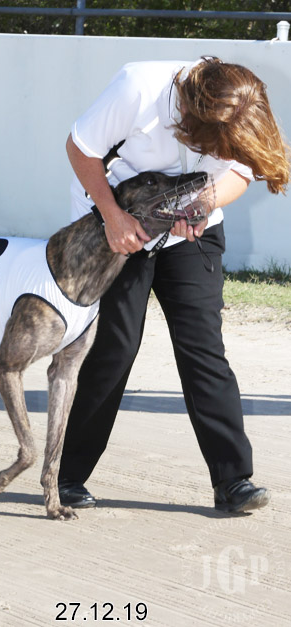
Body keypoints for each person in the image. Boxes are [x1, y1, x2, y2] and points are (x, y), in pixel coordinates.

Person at [57, 56, 289, 513]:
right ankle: (67, 476)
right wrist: (112, 217)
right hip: (121, 224)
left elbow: (241, 171)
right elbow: (80, 148)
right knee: (115, 349)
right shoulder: (138, 87)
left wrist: (206, 203)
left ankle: (233, 481)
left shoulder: (239, 104)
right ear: (191, 119)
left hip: (192, 233)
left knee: (204, 348)